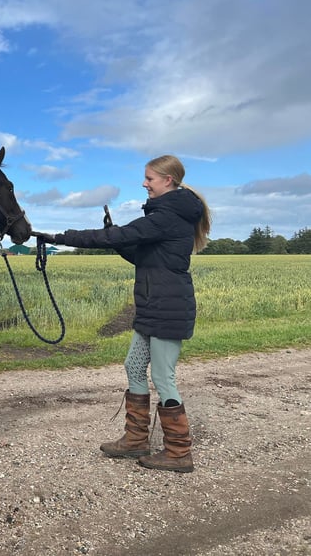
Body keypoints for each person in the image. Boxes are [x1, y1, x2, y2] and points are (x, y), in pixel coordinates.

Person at [41, 155, 211, 472]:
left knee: (163, 377)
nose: (144, 183)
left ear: (168, 181)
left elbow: (117, 237)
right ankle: (135, 440)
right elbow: (138, 254)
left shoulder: (167, 216)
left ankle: (178, 452)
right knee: (133, 366)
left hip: (168, 308)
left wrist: (59, 237)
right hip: (152, 305)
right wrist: (116, 237)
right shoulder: (165, 215)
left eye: (149, 178)